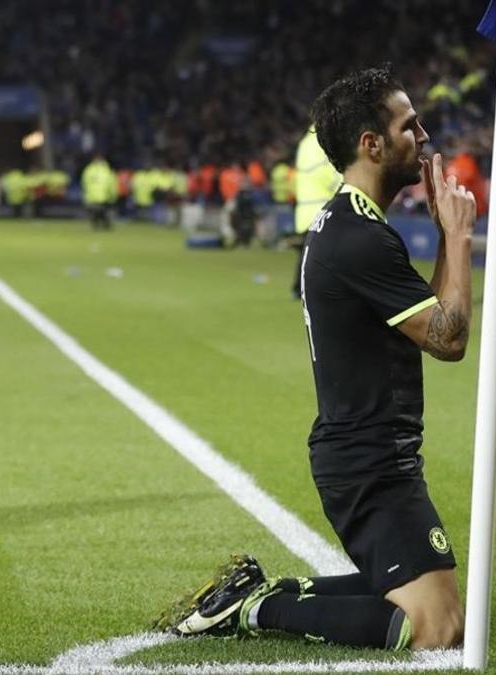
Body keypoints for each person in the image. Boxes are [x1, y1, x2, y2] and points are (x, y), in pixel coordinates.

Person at [155, 66, 473, 651]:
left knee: (445, 601)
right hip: (369, 464)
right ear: (370, 144)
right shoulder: (357, 237)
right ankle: (260, 608)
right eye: (410, 125)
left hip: (370, 452)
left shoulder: (352, 222)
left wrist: (445, 237)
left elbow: (426, 318)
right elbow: (448, 340)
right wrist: (458, 237)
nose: (423, 136)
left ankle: (267, 589)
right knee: (437, 627)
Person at [292, 125, 343, 298]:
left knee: (307, 251)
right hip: (322, 204)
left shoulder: (305, 143)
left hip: (304, 207)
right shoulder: (323, 142)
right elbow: (331, 174)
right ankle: (309, 288)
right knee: (324, 251)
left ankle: (298, 288)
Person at [81, 153, 116, 230]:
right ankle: (96, 225)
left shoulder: (106, 169)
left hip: (104, 196)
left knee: (104, 213)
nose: (98, 161)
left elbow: (111, 182)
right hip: (92, 196)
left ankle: (106, 225)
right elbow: (84, 183)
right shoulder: (89, 170)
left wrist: (112, 194)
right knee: (94, 213)